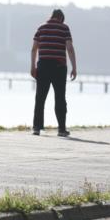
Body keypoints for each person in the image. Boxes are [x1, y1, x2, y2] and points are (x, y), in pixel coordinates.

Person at [31, 8, 77, 136]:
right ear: (61, 18)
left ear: (51, 16)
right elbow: (70, 48)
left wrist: (32, 67)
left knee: (40, 98)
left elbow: (34, 49)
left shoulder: (41, 28)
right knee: (60, 98)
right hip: (59, 67)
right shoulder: (64, 28)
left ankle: (37, 128)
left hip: (43, 66)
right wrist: (74, 67)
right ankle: (61, 130)